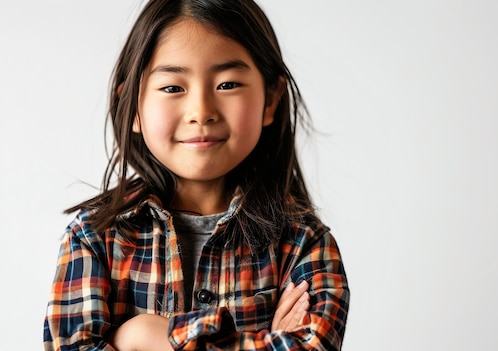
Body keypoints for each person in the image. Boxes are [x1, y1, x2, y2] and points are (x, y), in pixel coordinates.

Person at [42, 0, 350, 350]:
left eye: (228, 84)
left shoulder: (303, 242)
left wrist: (142, 337)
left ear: (270, 101)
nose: (201, 111)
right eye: (173, 87)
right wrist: (262, 342)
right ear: (133, 105)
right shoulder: (93, 237)